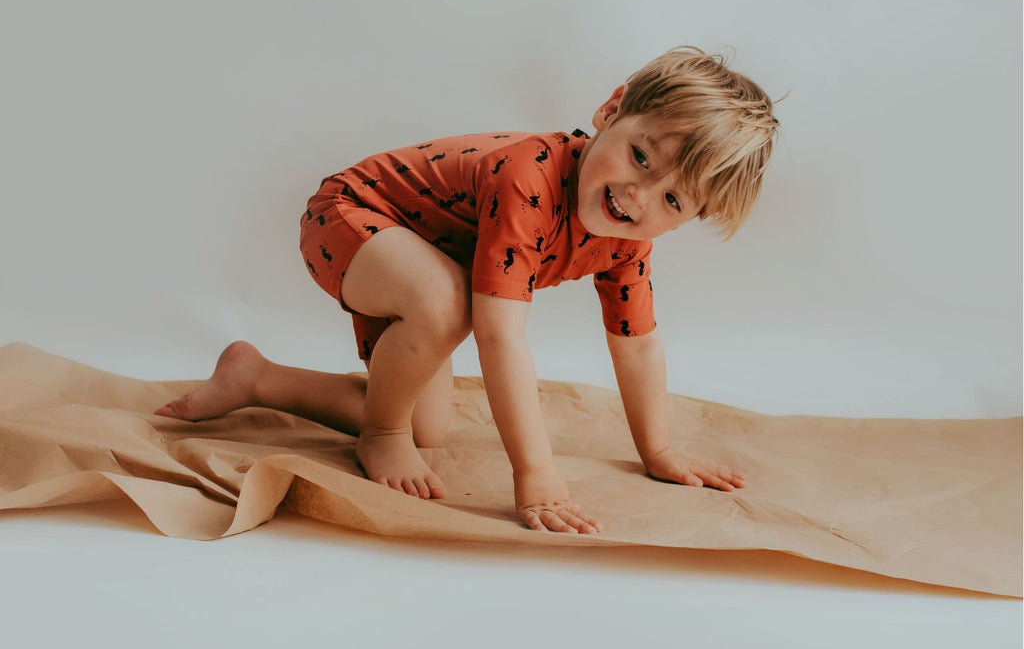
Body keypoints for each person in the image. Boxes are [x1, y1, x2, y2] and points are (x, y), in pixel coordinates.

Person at [156, 47, 779, 535]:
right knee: (446, 311)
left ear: (686, 219)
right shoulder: (528, 177)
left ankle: (255, 378)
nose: (638, 196)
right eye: (640, 156)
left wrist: (659, 449)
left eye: (671, 198)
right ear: (611, 111)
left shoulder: (626, 241)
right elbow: (499, 334)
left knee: (424, 428)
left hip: (429, 265)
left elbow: (638, 346)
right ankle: (379, 436)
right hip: (350, 217)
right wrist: (536, 474)